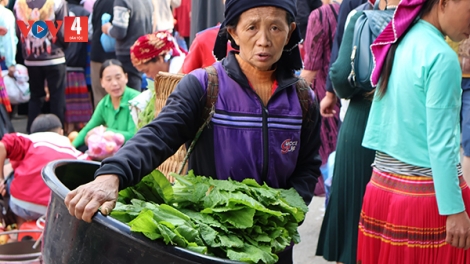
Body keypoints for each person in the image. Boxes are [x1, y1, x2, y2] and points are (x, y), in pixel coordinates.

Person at [65, 1, 322, 263]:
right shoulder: (203, 86)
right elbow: (158, 135)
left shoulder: (303, 99)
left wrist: (285, 216)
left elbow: (308, 166)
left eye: (275, 27)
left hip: (273, 247)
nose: (264, 40)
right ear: (232, 31)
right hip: (212, 243)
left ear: (290, 32)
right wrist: (112, 175)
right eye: (252, 27)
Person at [357, 0, 470, 261]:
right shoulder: (442, 57)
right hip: (424, 198)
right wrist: (454, 209)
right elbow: (441, 144)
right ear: (443, 3)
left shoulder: (402, 39)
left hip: (382, 190)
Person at [314, 0, 397, 263]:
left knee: (353, 215)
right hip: (403, 125)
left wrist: (337, 92)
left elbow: (341, 76)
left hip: (362, 119)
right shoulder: (423, 21)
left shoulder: (360, 16)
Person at [0, 114, 87, 227]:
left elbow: (2, 146)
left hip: (22, 205)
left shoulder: (29, 140)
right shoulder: (76, 154)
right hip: (60, 211)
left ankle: (20, 228)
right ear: (61, 132)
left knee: (10, 169)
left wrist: (1, 179)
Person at [300, 0, 341, 193]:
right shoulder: (363, 9)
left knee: (326, 163)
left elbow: (310, 69)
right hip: (348, 97)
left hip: (324, 98)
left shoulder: (320, 15)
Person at [15, 0, 69, 133]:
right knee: (57, 97)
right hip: (54, 57)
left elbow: (18, 31)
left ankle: (32, 135)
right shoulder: (58, 2)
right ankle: (58, 133)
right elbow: (65, 32)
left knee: (35, 97)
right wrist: (63, 48)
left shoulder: (19, 3)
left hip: (31, 58)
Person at [72, 59, 140, 150]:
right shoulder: (104, 104)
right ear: (102, 82)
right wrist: (71, 148)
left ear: (126, 77)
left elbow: (133, 135)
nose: (115, 83)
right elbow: (88, 129)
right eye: (108, 79)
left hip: (132, 150)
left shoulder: (136, 99)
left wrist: (104, 131)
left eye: (118, 77)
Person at [101, 0, 154, 91]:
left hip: (127, 53)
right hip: (144, 51)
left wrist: (107, 29)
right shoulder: (148, 1)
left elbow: (119, 31)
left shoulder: (122, 1)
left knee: (130, 93)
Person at [64, 0, 93, 134]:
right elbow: (75, 47)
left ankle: (67, 131)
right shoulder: (81, 13)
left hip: (60, 66)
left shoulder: (57, 9)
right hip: (76, 68)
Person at [89, 0, 115, 108]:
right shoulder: (126, 2)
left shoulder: (98, 2)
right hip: (118, 58)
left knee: (100, 99)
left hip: (97, 55)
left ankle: (101, 124)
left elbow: (89, 31)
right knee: (118, 95)